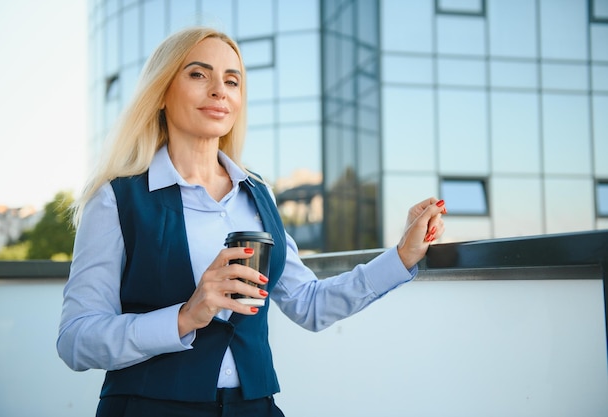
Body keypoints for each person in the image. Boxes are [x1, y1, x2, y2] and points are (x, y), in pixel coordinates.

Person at [56, 26, 446, 417]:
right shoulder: (116, 198)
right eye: (198, 74)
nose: (219, 91)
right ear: (161, 93)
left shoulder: (259, 194)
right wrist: (185, 316)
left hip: (255, 408)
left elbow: (308, 304)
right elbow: (76, 340)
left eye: (232, 80)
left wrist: (402, 256)